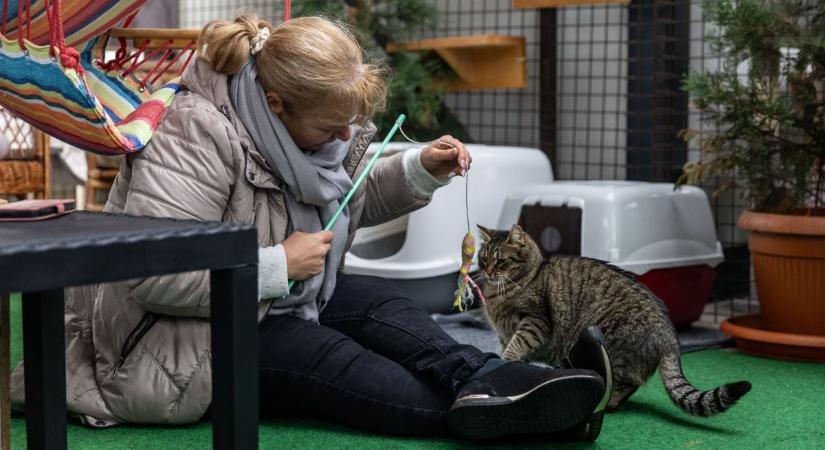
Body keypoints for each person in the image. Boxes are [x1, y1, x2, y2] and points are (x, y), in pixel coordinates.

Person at [11, 15, 610, 440]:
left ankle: (512, 383)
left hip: (278, 296)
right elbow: (150, 272)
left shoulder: (313, 126)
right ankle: (517, 414)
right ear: (275, 103)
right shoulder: (192, 131)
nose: (346, 140)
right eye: (332, 129)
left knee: (386, 308)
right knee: (344, 366)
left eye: (352, 127)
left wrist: (417, 171)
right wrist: (276, 267)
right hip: (182, 338)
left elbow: (343, 198)